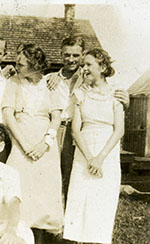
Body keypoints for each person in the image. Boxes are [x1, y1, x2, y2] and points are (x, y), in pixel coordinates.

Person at [46, 36, 129, 205]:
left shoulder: (89, 76)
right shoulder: (51, 78)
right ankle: (51, 223)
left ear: (82, 55)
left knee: (73, 178)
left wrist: (126, 102)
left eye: (76, 56)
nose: (71, 60)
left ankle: (67, 219)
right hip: (55, 128)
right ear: (61, 54)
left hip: (77, 131)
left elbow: (106, 103)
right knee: (51, 175)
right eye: (66, 55)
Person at [2, 43, 64, 243]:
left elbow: (56, 117)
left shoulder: (50, 83)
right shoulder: (13, 82)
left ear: (34, 64)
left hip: (45, 148)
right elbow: (8, 115)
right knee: (19, 191)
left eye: (21, 64)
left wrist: (45, 143)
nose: (16, 67)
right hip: (21, 144)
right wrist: (25, 145)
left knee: (44, 198)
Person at [63, 48, 124, 244]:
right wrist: (90, 158)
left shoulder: (116, 93)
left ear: (103, 67)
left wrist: (100, 158)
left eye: (88, 64)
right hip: (84, 153)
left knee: (102, 203)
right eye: (83, 65)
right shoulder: (80, 94)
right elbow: (75, 130)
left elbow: (119, 130)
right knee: (81, 203)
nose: (84, 68)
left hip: (107, 153)